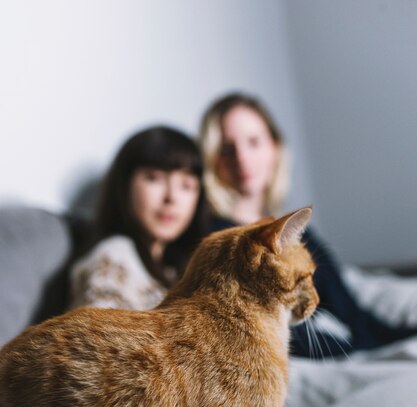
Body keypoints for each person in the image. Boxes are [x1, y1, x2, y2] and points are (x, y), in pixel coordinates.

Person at [199, 92, 417, 358]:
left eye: (254, 142)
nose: (242, 158)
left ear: (275, 147)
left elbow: (352, 313)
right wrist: (358, 352)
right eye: (227, 148)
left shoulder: (297, 232)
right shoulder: (217, 242)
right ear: (212, 159)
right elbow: (284, 334)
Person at [70, 126, 208, 311]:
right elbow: (95, 338)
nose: (171, 197)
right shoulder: (114, 257)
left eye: (187, 185)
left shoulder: (174, 269)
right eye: (154, 178)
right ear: (124, 185)